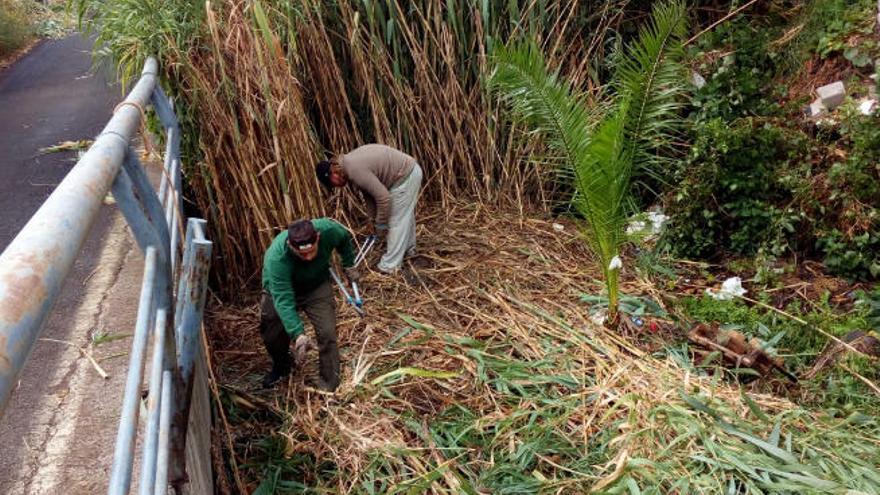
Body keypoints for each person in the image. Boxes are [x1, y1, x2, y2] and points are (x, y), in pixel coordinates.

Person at [260, 218, 359, 390]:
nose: (308, 257)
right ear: (290, 245)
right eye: (302, 254)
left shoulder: (329, 231)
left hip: (316, 286)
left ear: (318, 238)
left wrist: (349, 264)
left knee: (327, 333)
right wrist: (298, 334)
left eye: (311, 251)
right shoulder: (276, 259)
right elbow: (283, 300)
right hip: (280, 290)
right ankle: (282, 367)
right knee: (272, 334)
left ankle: (329, 383)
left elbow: (344, 239)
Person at [315, 144, 423, 273]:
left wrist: (381, 225)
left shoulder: (354, 171)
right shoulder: (348, 165)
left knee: (396, 220)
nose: (337, 187)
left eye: (333, 184)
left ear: (333, 174)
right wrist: (372, 220)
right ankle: (409, 249)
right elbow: (370, 195)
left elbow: (384, 198)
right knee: (403, 216)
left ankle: (389, 266)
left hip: (405, 176)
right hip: (408, 172)